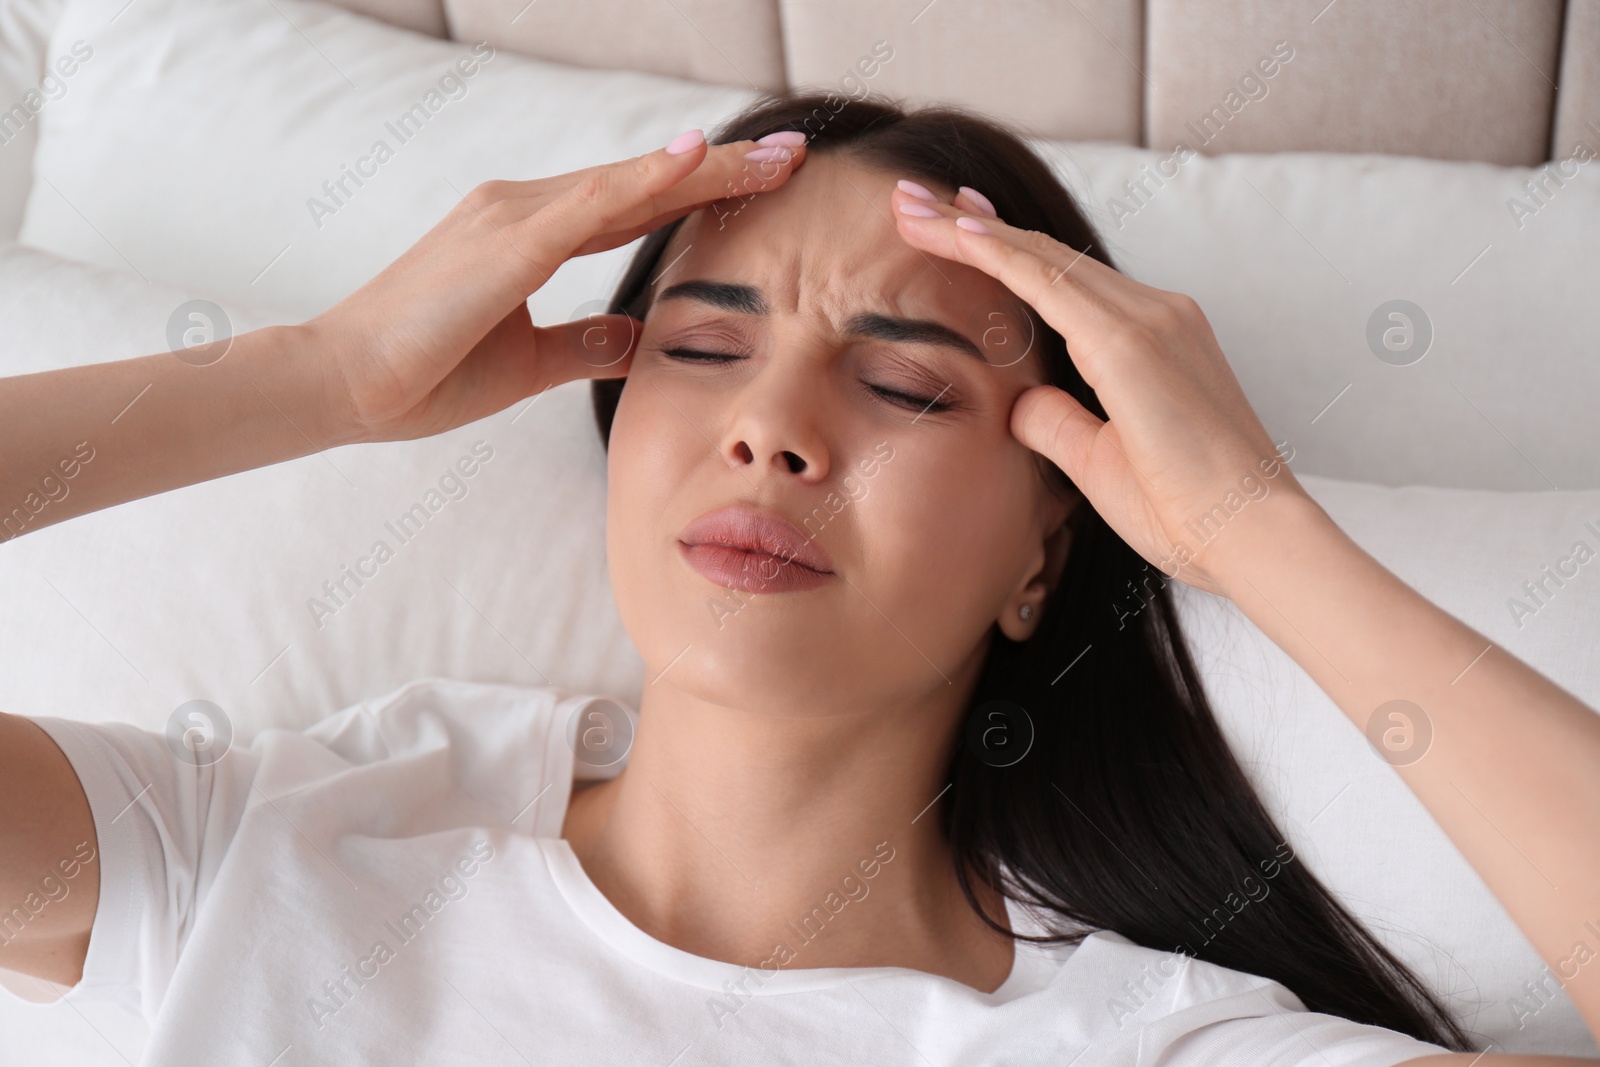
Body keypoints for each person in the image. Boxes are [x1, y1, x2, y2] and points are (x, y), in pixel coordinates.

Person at [0, 91, 1595, 1066]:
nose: (772, 430)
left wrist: (1259, 535)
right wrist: (319, 375)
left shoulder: (1140, 1046)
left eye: (904, 390)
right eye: (702, 350)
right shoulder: (287, 849)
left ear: (1045, 551)